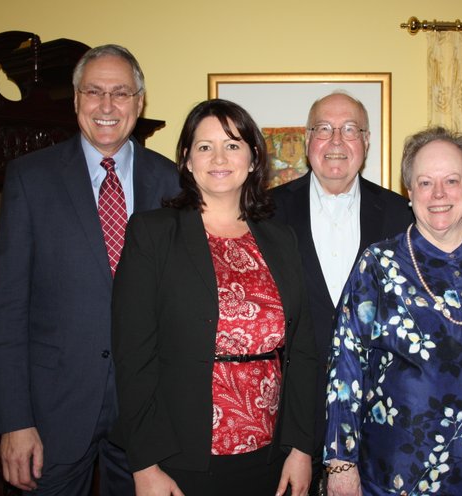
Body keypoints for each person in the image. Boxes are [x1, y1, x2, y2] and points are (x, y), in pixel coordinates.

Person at [0, 44, 180, 494]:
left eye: (121, 93)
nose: (107, 106)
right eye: (94, 92)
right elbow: (8, 309)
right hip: (53, 414)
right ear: (76, 100)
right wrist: (15, 421)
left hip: (148, 415)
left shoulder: (173, 183)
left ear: (139, 102)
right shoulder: (30, 179)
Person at [110, 99, 318, 496]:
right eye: (205, 147)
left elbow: (303, 350)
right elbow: (132, 356)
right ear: (187, 160)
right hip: (181, 456)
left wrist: (301, 446)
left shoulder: (280, 238)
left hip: (272, 455)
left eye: (233, 145)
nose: (219, 157)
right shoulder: (153, 234)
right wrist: (145, 465)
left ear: (254, 158)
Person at [324, 126, 462, 496]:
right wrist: (341, 463)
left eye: (452, 180)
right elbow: (346, 363)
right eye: (425, 182)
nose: (438, 194)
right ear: (410, 193)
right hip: (395, 473)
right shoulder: (377, 265)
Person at [271, 92, 412, 492]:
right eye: (324, 129)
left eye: (350, 129)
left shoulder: (403, 216)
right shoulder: (267, 211)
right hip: (285, 418)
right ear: (307, 138)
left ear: (366, 142)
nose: (336, 141)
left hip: (378, 422)